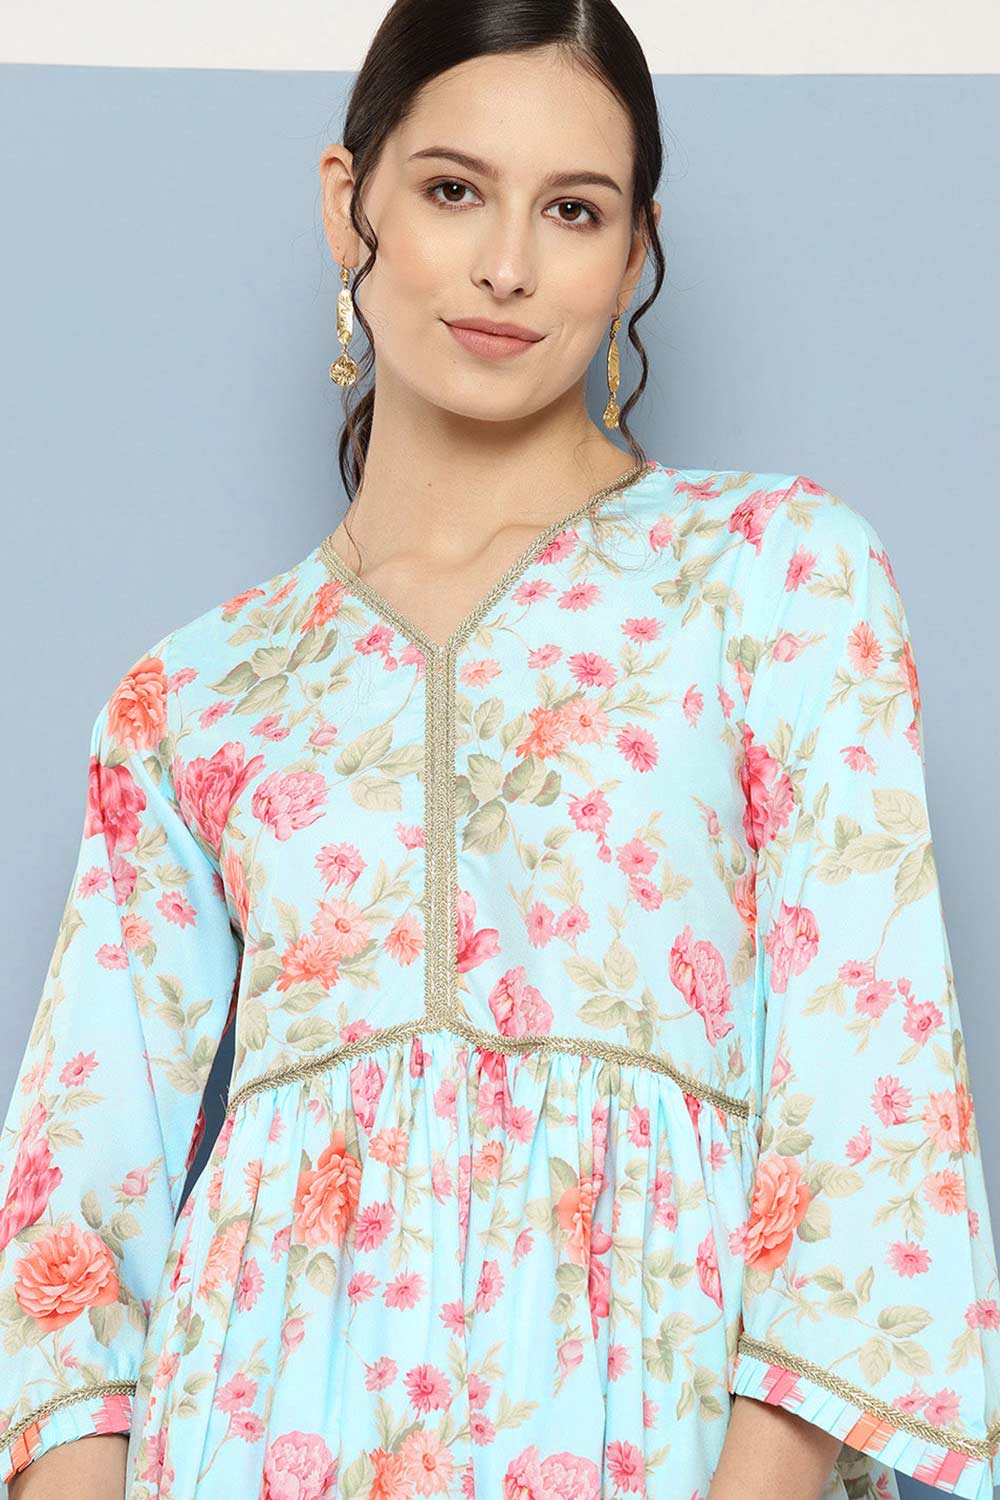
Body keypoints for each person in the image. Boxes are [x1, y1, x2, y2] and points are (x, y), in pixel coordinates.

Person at [2, 2, 999, 1497]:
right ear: (350, 203)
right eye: (454, 189)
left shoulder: (778, 575)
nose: (508, 265)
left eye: (574, 210)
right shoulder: (194, 695)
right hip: (247, 1438)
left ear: (637, 249)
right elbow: (74, 1215)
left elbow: (874, 1102)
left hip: (655, 1437)